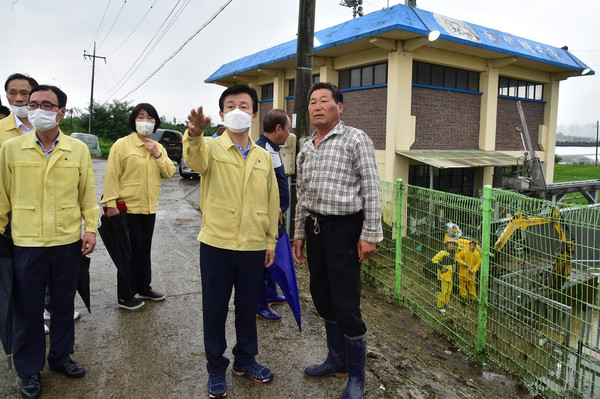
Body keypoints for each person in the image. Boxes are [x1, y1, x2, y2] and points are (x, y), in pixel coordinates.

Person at [0, 84, 99, 399]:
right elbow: (1, 198)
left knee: (62, 304)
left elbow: (87, 196)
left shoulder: (77, 149)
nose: (37, 109)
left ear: (61, 112)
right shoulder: (11, 149)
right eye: (33, 103)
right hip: (26, 243)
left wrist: (91, 229)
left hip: (66, 241)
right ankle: (29, 371)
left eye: (46, 104)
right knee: (27, 310)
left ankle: (60, 357)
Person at [183, 84, 279, 398]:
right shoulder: (209, 147)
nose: (237, 110)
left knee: (247, 306)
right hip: (216, 245)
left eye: (244, 105)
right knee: (214, 309)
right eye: (230, 105)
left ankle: (245, 360)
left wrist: (270, 242)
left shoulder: (265, 157)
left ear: (254, 114)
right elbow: (194, 159)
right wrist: (194, 134)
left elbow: (271, 200)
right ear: (223, 114)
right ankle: (215, 367)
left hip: (252, 246)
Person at [292, 82, 383, 399]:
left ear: (339, 107)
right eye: (312, 101)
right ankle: (337, 360)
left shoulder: (355, 139)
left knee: (346, 302)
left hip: (346, 229)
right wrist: (299, 234)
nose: (317, 106)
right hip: (315, 227)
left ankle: (357, 377)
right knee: (321, 294)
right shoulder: (307, 147)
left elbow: (371, 187)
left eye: (324, 100)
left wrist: (370, 234)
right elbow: (302, 195)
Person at [101, 103, 175, 311]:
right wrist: (110, 204)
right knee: (128, 252)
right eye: (141, 117)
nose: (145, 121)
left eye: (150, 118)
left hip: (149, 207)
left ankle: (144, 287)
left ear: (155, 123)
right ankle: (125, 296)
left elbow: (169, 172)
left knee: (144, 251)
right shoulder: (122, 145)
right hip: (127, 208)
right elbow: (112, 176)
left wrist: (157, 154)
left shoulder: (157, 146)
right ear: (134, 120)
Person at [255, 108, 291, 321]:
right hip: (267, 215)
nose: (289, 133)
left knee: (272, 256)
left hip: (277, 213)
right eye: (287, 129)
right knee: (263, 258)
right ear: (278, 129)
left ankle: (270, 293)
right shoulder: (260, 150)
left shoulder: (273, 148)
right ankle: (259, 304)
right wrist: (272, 205)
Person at [0, 73, 38, 147]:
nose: (18, 99)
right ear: (7, 96)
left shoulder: (47, 124)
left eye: (24, 93)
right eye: (12, 93)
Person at [432, 240, 457, 312]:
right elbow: (434, 260)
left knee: (448, 291)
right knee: (442, 291)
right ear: (447, 245)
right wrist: (440, 267)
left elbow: (454, 262)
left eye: (453, 244)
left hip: (450, 275)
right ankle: (440, 306)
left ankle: (445, 303)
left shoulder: (453, 253)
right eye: (450, 244)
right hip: (443, 276)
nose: (451, 246)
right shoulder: (442, 252)